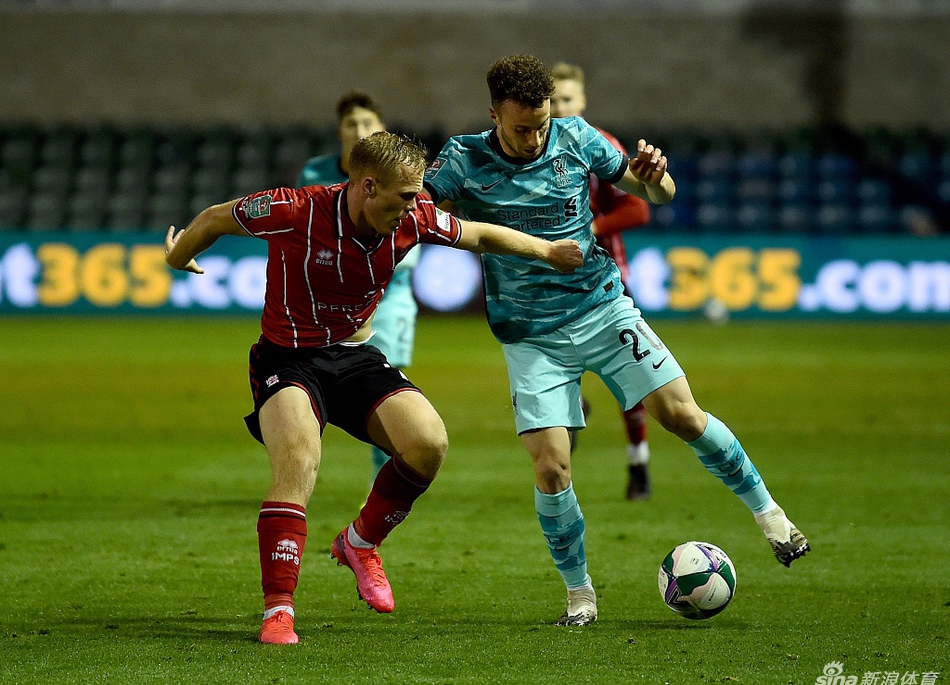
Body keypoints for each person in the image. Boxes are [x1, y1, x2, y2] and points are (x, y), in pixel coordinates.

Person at [423, 54, 810, 627]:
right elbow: (416, 218)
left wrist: (657, 178)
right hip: (531, 336)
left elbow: (656, 196)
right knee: (552, 468)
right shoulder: (462, 160)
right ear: (493, 117)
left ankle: (772, 517)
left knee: (681, 415)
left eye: (541, 123)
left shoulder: (576, 135)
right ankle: (581, 597)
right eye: (520, 128)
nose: (534, 138)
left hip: (602, 308)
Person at [165, 131, 583, 644]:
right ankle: (279, 610)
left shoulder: (415, 218)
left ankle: (359, 543)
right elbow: (213, 218)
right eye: (406, 195)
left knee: (428, 444)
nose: (416, 205)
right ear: (367, 187)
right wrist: (177, 256)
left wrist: (547, 250)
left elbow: (479, 235)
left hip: (355, 356)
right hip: (288, 359)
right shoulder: (295, 209)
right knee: (298, 461)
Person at [298, 91, 420, 484]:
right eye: (352, 124)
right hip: (328, 301)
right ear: (340, 130)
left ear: (381, 128)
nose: (360, 131)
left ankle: (382, 484)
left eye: (368, 123)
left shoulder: (399, 175)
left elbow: (411, 232)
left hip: (389, 295)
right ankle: (300, 467)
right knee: (308, 385)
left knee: (385, 388)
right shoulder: (315, 174)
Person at [549, 62, 653, 500]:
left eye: (567, 99)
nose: (559, 108)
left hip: (607, 282)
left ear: (583, 102)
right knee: (551, 372)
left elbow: (639, 209)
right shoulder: (530, 148)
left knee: (631, 383)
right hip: (551, 284)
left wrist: (589, 229)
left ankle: (638, 463)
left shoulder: (600, 145)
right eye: (552, 100)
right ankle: (571, 411)